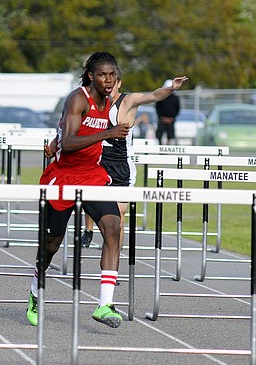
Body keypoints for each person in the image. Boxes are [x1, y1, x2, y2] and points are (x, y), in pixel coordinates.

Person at [27, 51, 130, 329]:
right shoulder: (77, 98)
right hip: (62, 178)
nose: (108, 80)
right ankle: (36, 291)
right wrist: (108, 133)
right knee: (51, 245)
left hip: (92, 177)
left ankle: (104, 304)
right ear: (90, 76)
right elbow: (71, 140)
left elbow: (65, 131)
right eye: (102, 75)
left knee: (112, 226)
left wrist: (54, 140)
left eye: (112, 75)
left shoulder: (108, 100)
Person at [76, 72, 188, 248]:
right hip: (97, 161)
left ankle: (113, 261)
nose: (108, 85)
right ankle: (88, 230)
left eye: (113, 82)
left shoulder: (128, 101)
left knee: (118, 218)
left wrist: (171, 88)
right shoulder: (94, 103)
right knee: (89, 199)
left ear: (119, 83)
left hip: (121, 164)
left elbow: (154, 95)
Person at [155, 79, 180, 145]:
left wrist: (171, 118)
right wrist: (162, 117)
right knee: (159, 134)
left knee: (170, 135)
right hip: (162, 119)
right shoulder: (161, 97)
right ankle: (160, 147)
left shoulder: (175, 98)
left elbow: (177, 109)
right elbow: (157, 108)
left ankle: (167, 147)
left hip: (171, 120)